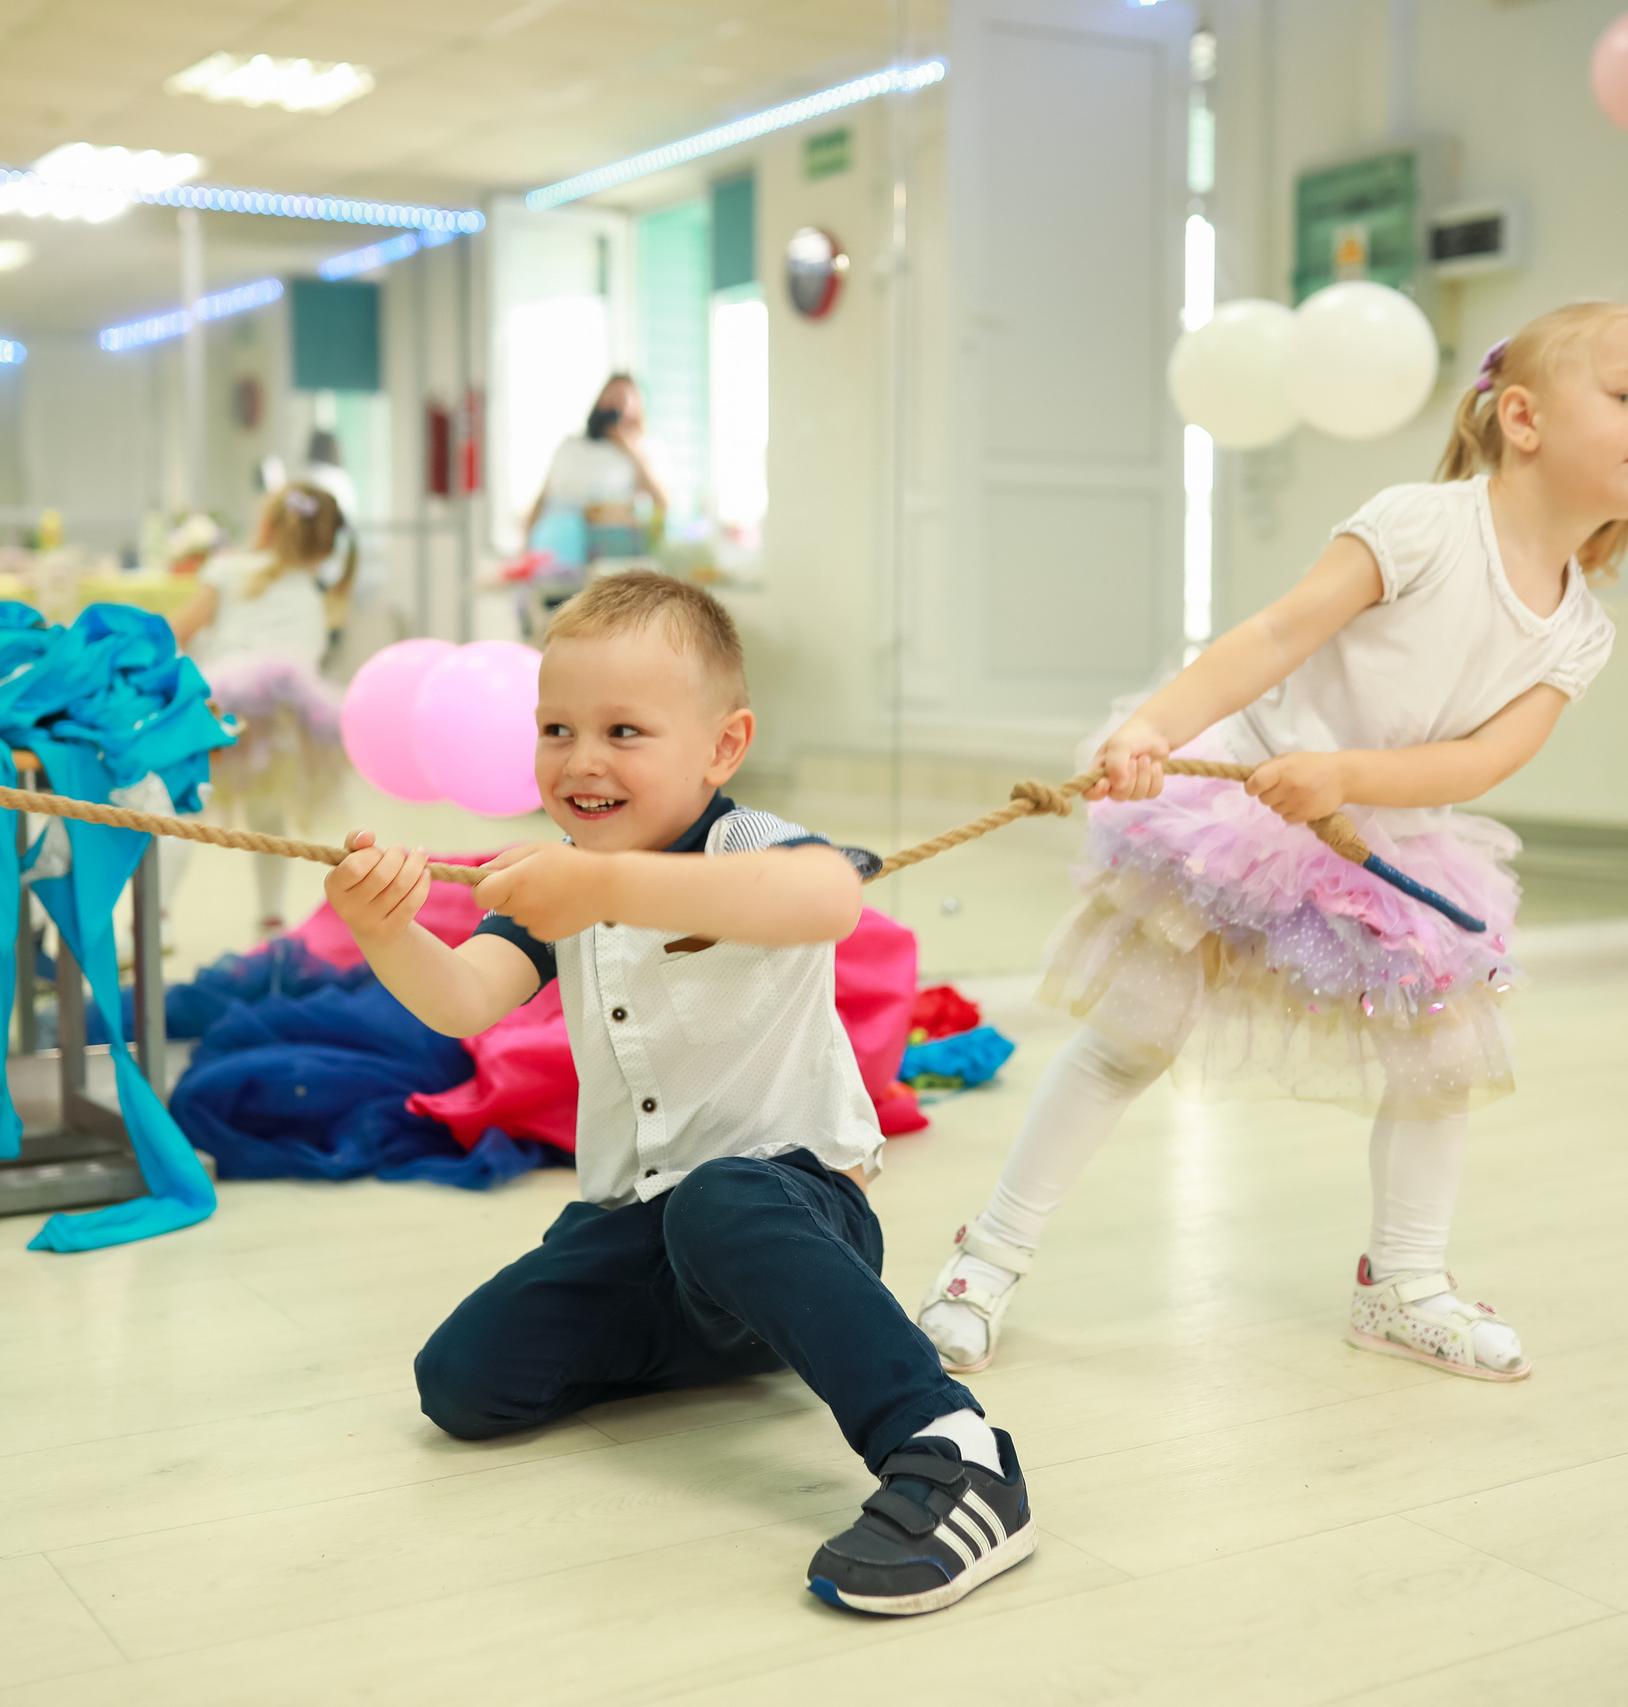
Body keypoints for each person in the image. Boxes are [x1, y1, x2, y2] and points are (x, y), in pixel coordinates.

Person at [918, 301, 1628, 1384]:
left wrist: (1350, 780)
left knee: (1439, 1069)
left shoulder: (1581, 626)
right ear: (1520, 417)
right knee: (1128, 1039)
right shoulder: (1421, 523)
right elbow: (1277, 633)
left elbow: (1479, 764)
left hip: (1387, 845)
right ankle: (988, 1260)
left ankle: (1404, 1288)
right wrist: (1154, 727)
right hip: (1243, 812)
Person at [324, 572, 1037, 1617]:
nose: (582, 760)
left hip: (793, 1213)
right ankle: (746, 1328)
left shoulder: (739, 846)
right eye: (556, 729)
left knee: (720, 1201)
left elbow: (826, 895)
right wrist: (385, 929)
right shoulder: (566, 877)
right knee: (463, 1384)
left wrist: (606, 885)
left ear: (722, 748)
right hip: (637, 1229)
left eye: (624, 731)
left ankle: (952, 1452)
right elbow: (466, 1000)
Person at [169, 482, 349, 937]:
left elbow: (181, 630)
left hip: (224, 706)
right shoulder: (314, 592)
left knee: (184, 808)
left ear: (265, 524)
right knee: (269, 816)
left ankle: (158, 920)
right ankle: (271, 917)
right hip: (285, 718)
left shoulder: (228, 569)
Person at [524, 373, 669, 566]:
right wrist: (524, 546)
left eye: (622, 401)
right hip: (554, 548)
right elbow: (542, 499)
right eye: (610, 398)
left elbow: (662, 501)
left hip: (610, 551)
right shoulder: (571, 445)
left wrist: (629, 449)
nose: (613, 407)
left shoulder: (644, 450)